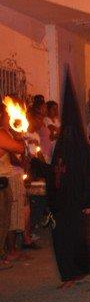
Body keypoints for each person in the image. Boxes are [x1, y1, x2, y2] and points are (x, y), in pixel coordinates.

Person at [33, 72, 90, 288]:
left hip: (78, 204)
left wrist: (89, 204)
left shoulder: (82, 150)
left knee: (80, 238)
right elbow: (54, 172)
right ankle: (69, 276)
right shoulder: (60, 149)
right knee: (61, 241)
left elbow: (89, 177)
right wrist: (37, 164)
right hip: (61, 205)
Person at [0, 104, 28, 270]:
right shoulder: (1, 133)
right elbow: (18, 148)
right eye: (6, 115)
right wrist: (19, 137)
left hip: (4, 181)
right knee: (2, 221)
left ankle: (3, 253)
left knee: (5, 220)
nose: (9, 118)